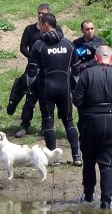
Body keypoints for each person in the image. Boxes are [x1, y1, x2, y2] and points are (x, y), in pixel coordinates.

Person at [72, 45, 112, 209]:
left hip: (91, 121)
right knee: (107, 164)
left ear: (97, 57)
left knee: (88, 160)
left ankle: (88, 196)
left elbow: (77, 100)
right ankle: (106, 201)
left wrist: (89, 108)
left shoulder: (87, 73)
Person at [27, 13, 82, 166]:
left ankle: (54, 159)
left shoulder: (38, 45)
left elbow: (31, 72)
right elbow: (76, 71)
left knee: (48, 122)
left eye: (40, 23)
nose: (38, 26)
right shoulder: (69, 44)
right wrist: (74, 88)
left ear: (46, 24)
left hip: (46, 90)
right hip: (65, 89)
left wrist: (29, 87)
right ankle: (77, 156)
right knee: (69, 122)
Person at [7, 3, 63, 138]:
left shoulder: (57, 30)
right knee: (29, 97)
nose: (40, 16)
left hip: (49, 70)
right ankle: (25, 125)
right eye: (39, 13)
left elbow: (59, 46)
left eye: (43, 14)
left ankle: (46, 127)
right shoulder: (30, 29)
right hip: (33, 68)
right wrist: (33, 57)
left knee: (47, 100)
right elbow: (23, 47)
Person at [72, 20, 106, 132]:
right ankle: (82, 132)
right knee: (81, 107)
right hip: (80, 79)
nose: (90, 31)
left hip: (96, 78)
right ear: (82, 30)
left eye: (92, 28)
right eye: (87, 29)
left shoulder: (100, 42)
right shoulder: (76, 43)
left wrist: (82, 66)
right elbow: (72, 59)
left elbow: (99, 59)